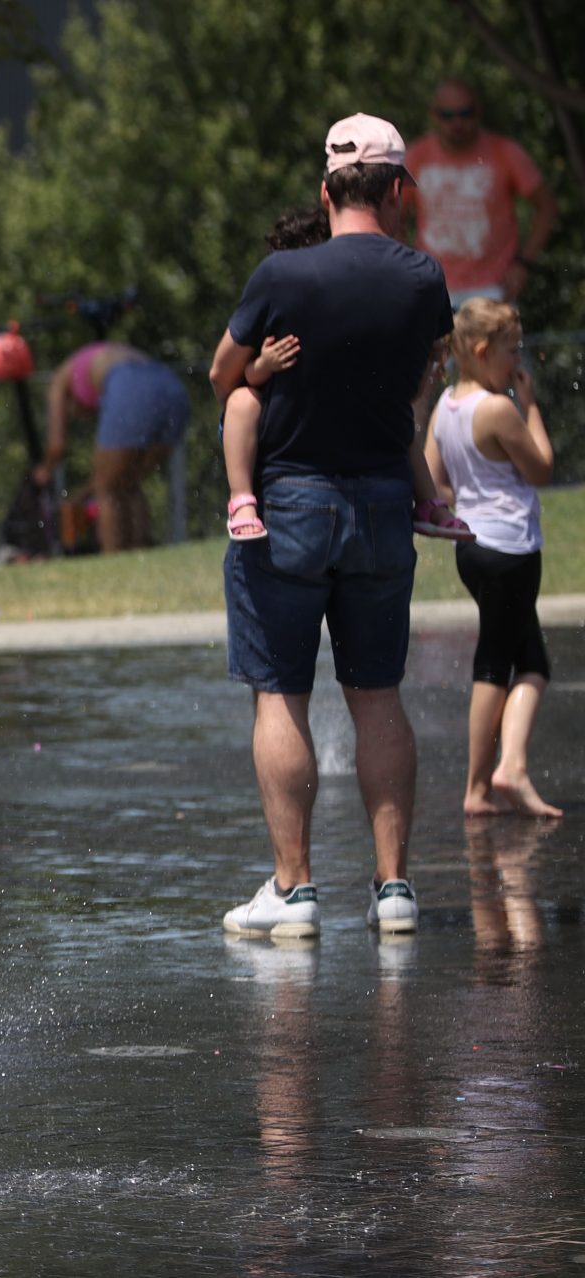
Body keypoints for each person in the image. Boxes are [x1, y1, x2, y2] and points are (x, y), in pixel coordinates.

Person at [211, 114, 453, 939]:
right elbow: (430, 367)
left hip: (290, 502)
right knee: (377, 695)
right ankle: (393, 891)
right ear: (395, 191)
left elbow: (222, 375)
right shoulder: (423, 277)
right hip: (385, 501)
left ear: (325, 191)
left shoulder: (284, 273)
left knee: (281, 691)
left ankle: (295, 890)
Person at [222, 207, 472, 544]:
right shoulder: (283, 293)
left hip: (329, 447)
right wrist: (263, 366)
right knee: (240, 402)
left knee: (398, 421)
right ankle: (241, 501)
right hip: (282, 424)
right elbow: (239, 373)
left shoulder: (314, 295)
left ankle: (429, 505)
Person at [423, 299, 561, 819]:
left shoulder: (445, 407)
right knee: (496, 663)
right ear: (482, 351)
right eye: (511, 351)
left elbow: (437, 485)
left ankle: (510, 767)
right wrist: (531, 406)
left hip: (473, 549)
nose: (517, 361)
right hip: (511, 548)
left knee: (531, 662)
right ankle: (488, 781)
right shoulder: (499, 409)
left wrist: (473, 494)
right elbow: (542, 468)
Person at [408, 78, 557, 306]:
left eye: (465, 113)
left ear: (478, 112)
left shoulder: (505, 152)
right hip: (434, 287)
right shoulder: (416, 156)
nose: (457, 123)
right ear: (434, 115)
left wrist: (524, 264)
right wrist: (408, 267)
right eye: (447, 115)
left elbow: (546, 207)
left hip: (493, 289)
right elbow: (391, 214)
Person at [34, 340, 191, 553]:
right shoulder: (103, 357)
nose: (81, 417)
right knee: (128, 483)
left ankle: (112, 556)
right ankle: (140, 554)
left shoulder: (58, 382)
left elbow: (57, 446)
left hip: (131, 385)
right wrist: (82, 494)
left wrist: (44, 471)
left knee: (107, 491)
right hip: (173, 389)